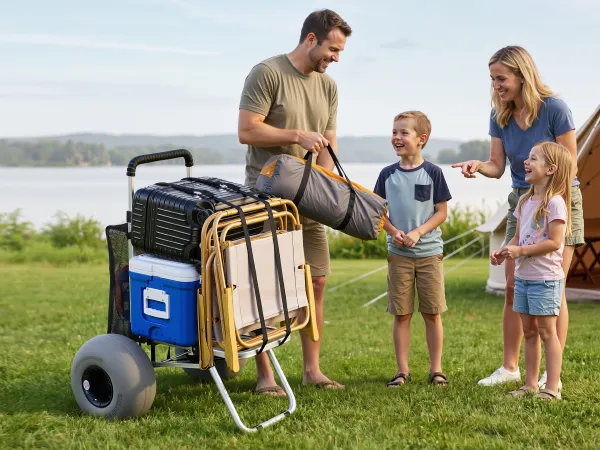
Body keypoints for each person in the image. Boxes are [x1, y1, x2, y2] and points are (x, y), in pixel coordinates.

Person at [451, 46, 584, 388]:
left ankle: (551, 375)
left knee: (553, 287)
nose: (496, 86)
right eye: (492, 79)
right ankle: (510, 367)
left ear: (522, 76)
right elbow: (497, 166)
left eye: (501, 78)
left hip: (559, 201)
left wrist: (547, 202)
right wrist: (478, 166)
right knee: (513, 285)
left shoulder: (554, 109)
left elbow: (569, 166)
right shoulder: (499, 115)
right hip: (521, 203)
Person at [237, 9, 352, 396]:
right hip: (265, 196)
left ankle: (311, 371)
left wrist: (325, 191)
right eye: (333, 49)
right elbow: (247, 130)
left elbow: (329, 144)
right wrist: (297, 135)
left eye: (340, 51)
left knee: (316, 280)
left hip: (308, 197)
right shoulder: (267, 73)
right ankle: (265, 376)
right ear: (311, 39)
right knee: (264, 284)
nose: (336, 57)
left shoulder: (329, 87)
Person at [373, 111, 452, 387]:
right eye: (394, 132)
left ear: (421, 139)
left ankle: (436, 370)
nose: (397, 137)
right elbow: (378, 213)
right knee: (402, 314)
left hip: (430, 255)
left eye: (404, 133)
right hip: (399, 257)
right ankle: (402, 371)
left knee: (432, 313)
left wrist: (418, 232)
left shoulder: (434, 173)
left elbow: (441, 212)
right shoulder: (387, 175)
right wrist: (393, 231)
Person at [491, 142, 572, 400]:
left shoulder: (555, 204)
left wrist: (521, 251)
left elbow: (555, 242)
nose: (526, 162)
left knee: (548, 333)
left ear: (550, 169)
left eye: (533, 158)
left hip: (545, 280)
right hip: (524, 278)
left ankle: (552, 388)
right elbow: (517, 237)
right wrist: (505, 250)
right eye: (528, 157)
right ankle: (530, 385)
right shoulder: (524, 201)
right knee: (529, 332)